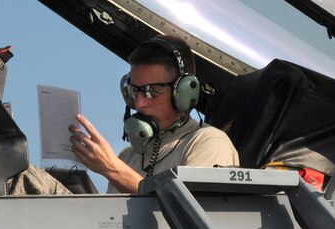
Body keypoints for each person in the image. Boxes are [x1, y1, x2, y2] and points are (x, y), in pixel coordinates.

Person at [68, 35, 239, 193]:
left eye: (152, 91)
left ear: (184, 91)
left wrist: (113, 169)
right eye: (135, 91)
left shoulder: (208, 143)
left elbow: (192, 216)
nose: (139, 103)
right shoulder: (127, 157)